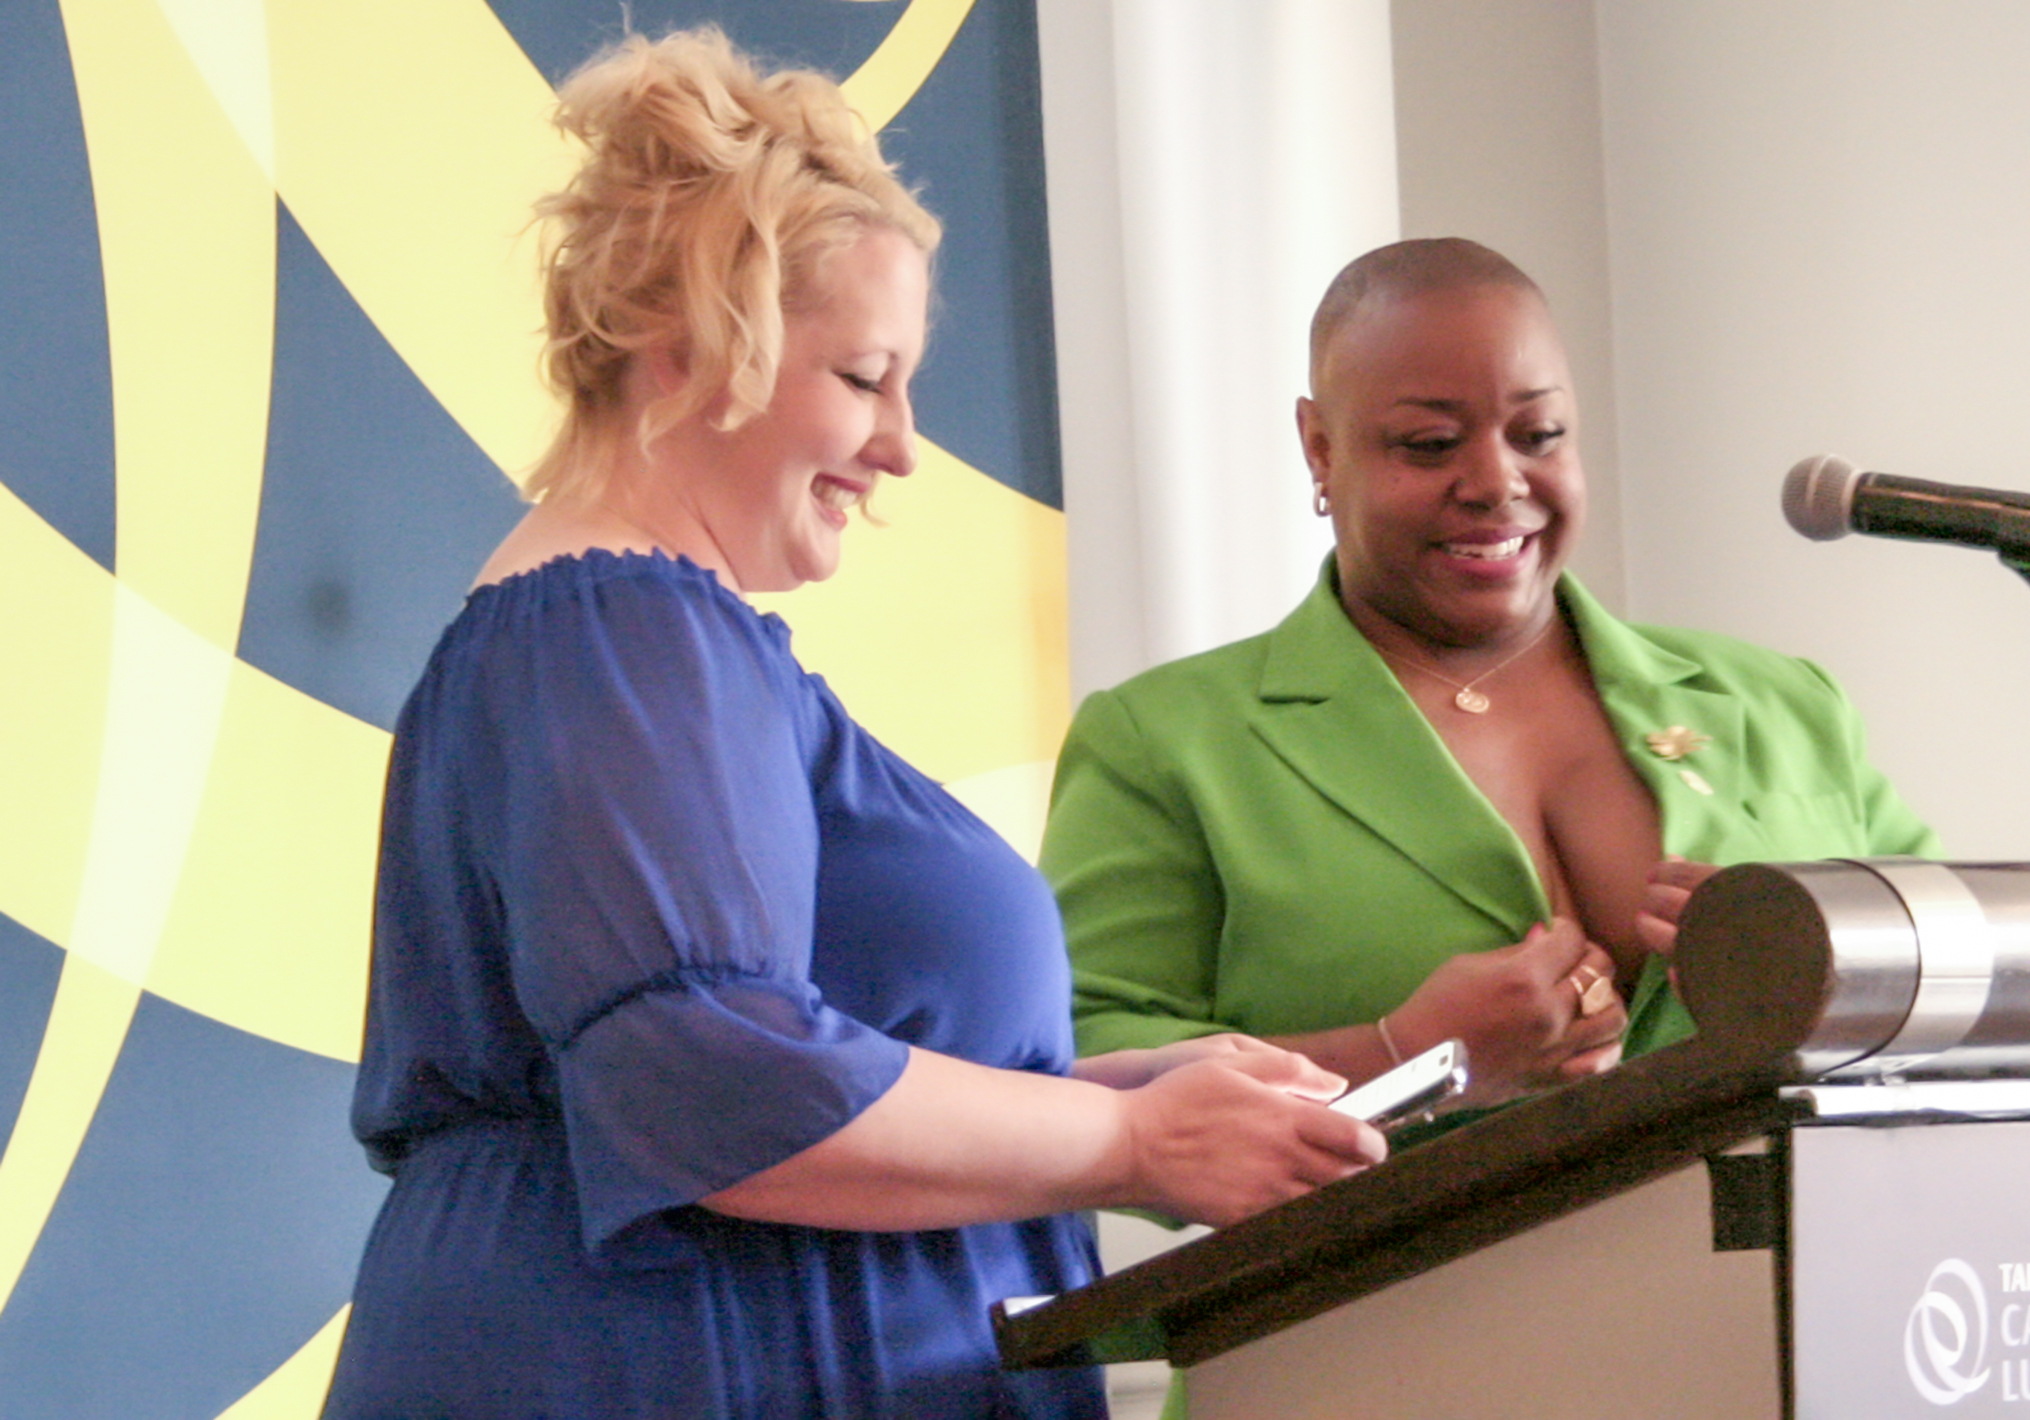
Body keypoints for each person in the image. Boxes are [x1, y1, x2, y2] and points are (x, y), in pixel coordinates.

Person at [322, 30, 1381, 1420]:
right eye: (863, 379)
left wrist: (1129, 1089)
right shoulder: (625, 637)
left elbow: (773, 1045)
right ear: (690, 341)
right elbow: (716, 1090)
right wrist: (1125, 1135)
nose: (901, 446)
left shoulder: (648, 644)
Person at [1041, 238, 1938, 1109]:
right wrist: (1403, 1057)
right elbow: (1077, 1069)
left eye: (1538, 434)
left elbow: (1970, 974)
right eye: (1429, 445)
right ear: (1320, 447)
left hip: (1789, 1250)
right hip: (1409, 1263)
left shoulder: (1782, 702)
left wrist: (1827, 970)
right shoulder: (1167, 742)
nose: (1495, 481)